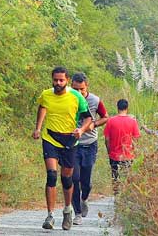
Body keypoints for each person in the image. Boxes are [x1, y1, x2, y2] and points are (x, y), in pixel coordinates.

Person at [32, 66, 93, 231]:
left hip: (70, 141)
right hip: (50, 137)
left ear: (67, 81)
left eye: (61, 80)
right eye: (55, 80)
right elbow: (42, 107)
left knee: (67, 179)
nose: (58, 83)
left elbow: (88, 118)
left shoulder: (76, 97)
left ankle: (67, 210)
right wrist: (38, 128)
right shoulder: (46, 94)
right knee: (51, 175)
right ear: (52, 80)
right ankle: (50, 215)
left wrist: (81, 130)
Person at [69, 72, 109, 226]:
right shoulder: (67, 98)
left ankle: (84, 198)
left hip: (90, 144)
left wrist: (94, 124)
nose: (78, 93)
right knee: (74, 179)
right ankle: (77, 213)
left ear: (87, 87)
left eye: (81, 90)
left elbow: (106, 117)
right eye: (75, 89)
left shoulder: (95, 100)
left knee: (86, 181)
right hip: (73, 145)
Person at [103, 99, 141, 195]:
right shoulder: (132, 122)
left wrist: (109, 151)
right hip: (128, 155)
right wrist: (134, 152)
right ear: (127, 108)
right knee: (126, 177)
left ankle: (116, 194)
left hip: (114, 155)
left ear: (117, 107)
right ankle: (125, 195)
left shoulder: (111, 121)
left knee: (115, 176)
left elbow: (107, 139)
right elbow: (136, 139)